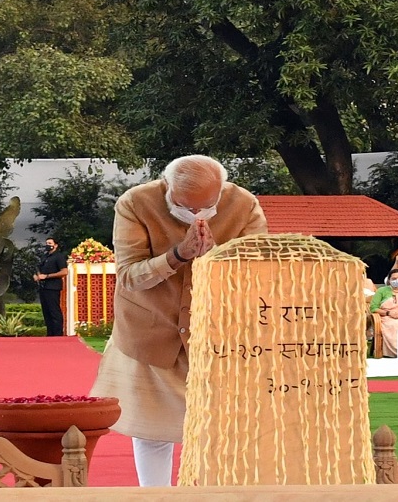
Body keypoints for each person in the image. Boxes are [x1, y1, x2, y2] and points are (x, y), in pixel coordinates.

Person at [89, 154, 267, 487]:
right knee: (151, 430)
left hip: (219, 337)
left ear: (221, 191)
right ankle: (155, 496)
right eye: (185, 207)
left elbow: (256, 275)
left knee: (222, 430)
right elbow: (128, 276)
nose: (197, 216)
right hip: (151, 333)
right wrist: (178, 255)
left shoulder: (243, 204)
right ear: (167, 187)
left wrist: (215, 259)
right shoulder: (136, 203)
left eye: (207, 208)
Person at [35, 237, 68, 336]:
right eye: (46, 243)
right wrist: (37, 275)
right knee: (46, 312)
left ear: (56, 245)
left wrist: (47, 276)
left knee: (54, 311)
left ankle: (58, 334)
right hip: (43, 287)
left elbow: (64, 272)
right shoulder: (44, 256)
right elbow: (39, 268)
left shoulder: (59, 257)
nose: (47, 245)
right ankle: (50, 333)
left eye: (50, 243)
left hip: (53, 287)